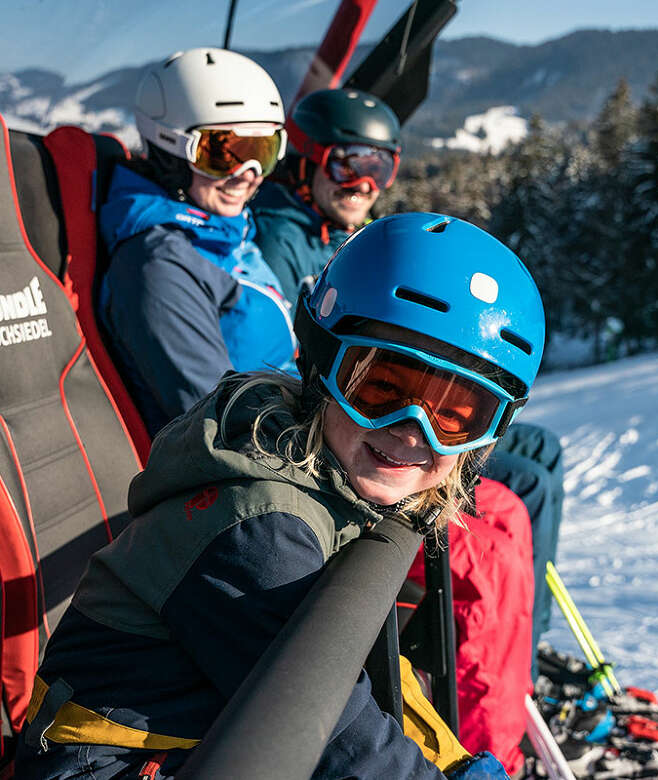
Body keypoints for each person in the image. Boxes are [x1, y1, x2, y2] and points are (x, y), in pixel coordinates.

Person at [14, 212, 545, 779]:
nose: (413, 430)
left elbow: (365, 682)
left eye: (457, 415)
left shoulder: (326, 479)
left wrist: (457, 763)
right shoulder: (257, 530)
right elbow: (337, 731)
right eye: (381, 387)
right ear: (320, 365)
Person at [252, 87, 564, 673]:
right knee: (517, 494)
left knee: (542, 453)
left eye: (381, 166)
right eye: (350, 162)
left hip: (367, 404)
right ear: (307, 159)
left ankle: (523, 641)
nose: (365, 182)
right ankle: (506, 655)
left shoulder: (349, 232)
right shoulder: (287, 240)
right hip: (342, 412)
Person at [98, 47, 295, 436]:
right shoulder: (159, 266)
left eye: (263, 152)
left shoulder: (221, 229)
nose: (248, 175)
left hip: (290, 420)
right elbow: (221, 423)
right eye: (223, 154)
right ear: (170, 148)